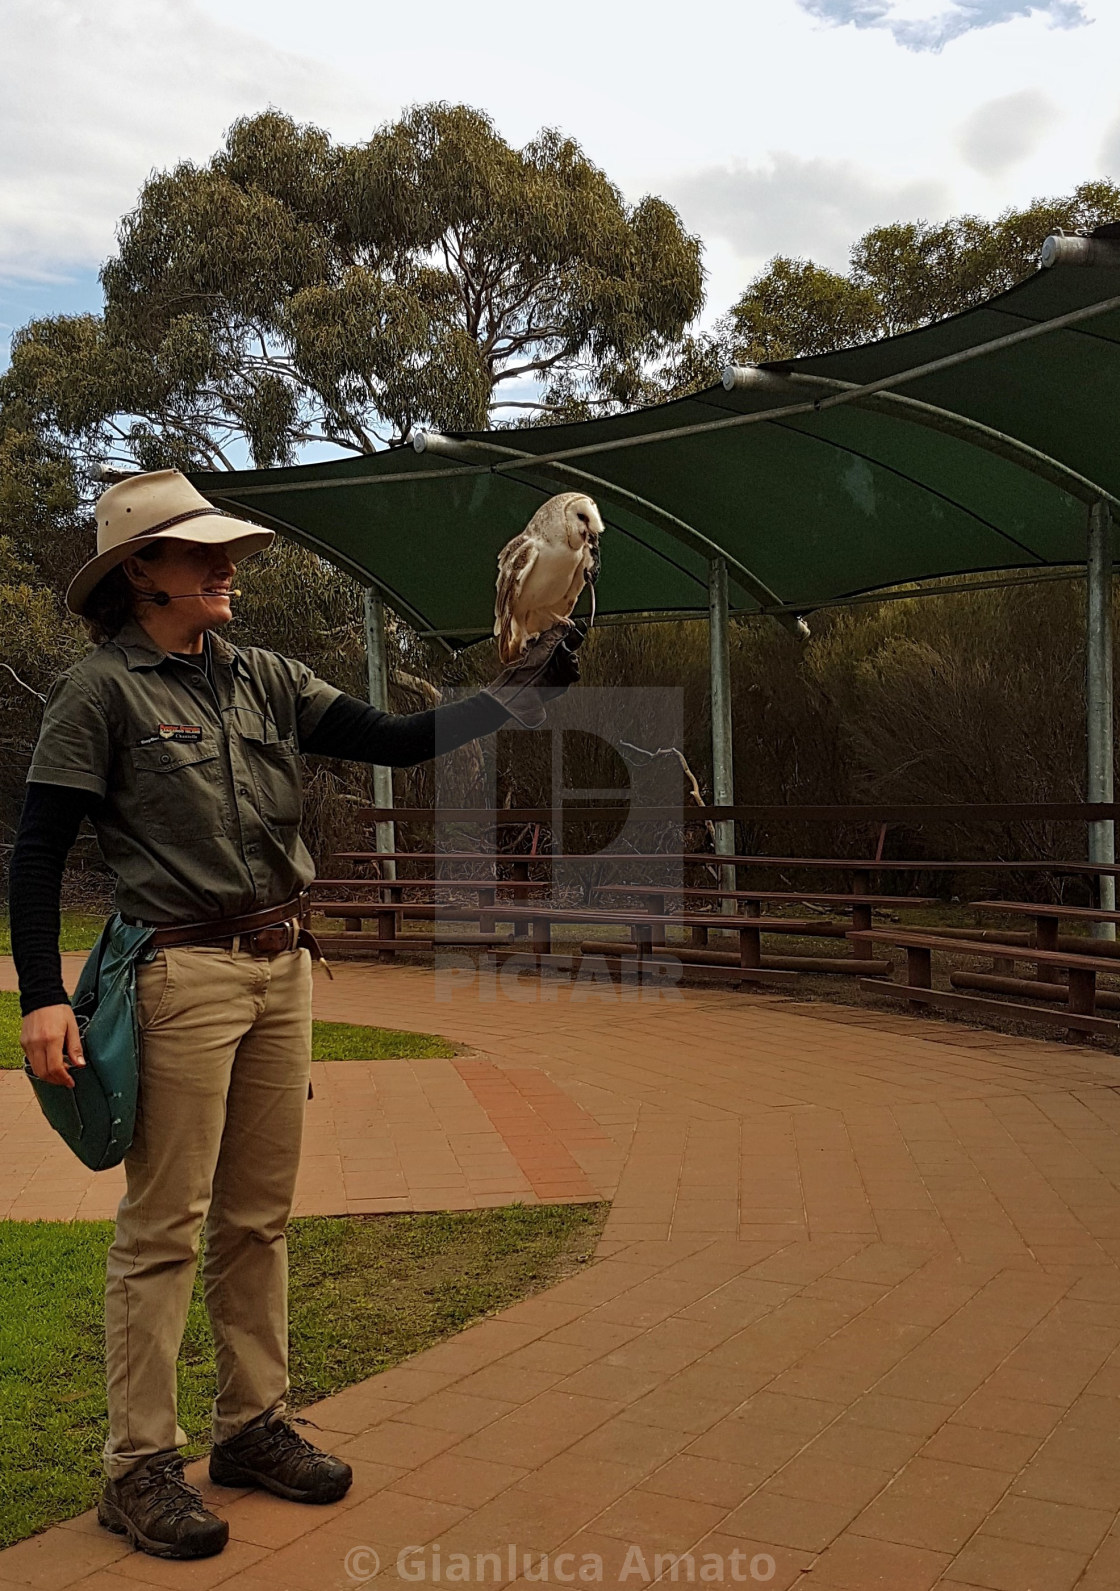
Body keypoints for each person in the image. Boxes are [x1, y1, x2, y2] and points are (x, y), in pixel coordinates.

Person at [10, 469, 579, 1562]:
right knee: (164, 1225)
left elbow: (397, 740)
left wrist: (516, 690)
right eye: (200, 553)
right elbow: (38, 853)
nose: (228, 567)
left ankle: (251, 1425)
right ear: (142, 572)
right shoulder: (102, 692)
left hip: (282, 966)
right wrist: (42, 994)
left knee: (259, 1215)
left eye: (228, 551)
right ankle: (138, 1466)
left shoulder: (263, 677)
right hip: (177, 975)